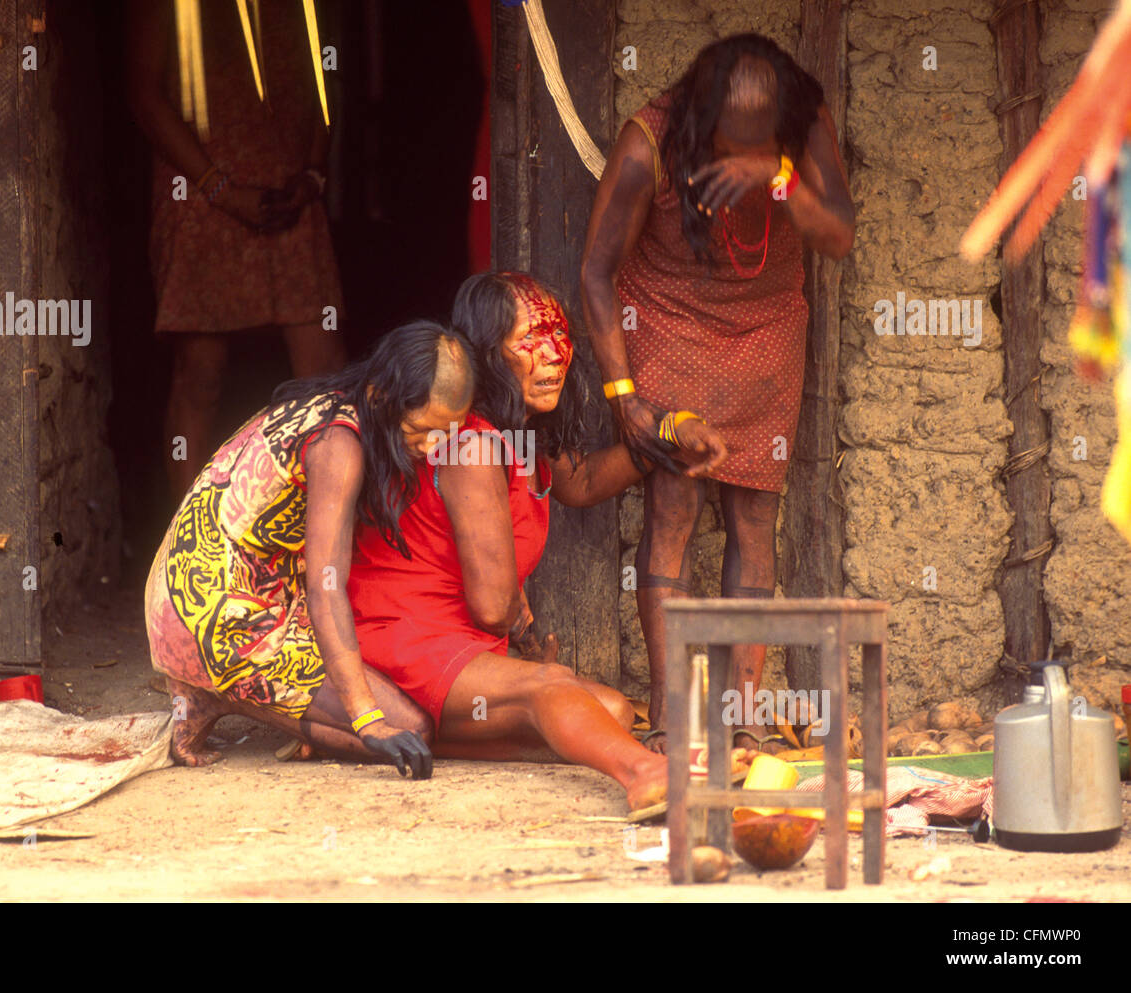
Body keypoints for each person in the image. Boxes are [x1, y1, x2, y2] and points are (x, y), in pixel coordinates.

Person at [343, 272, 729, 812]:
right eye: (528, 340)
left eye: (558, 335)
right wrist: (524, 637)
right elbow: (492, 604)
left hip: (454, 647)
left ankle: (404, 736)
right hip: (403, 637)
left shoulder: (520, 435)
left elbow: (584, 481)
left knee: (612, 711)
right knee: (552, 688)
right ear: (486, 354)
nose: (552, 354)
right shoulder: (471, 443)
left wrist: (666, 434)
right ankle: (646, 774)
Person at [580, 34, 855, 753]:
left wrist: (779, 175)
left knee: (756, 514)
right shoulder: (650, 143)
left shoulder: (803, 123)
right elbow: (596, 274)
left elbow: (838, 236)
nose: (738, 159)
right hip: (669, 317)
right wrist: (624, 396)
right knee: (673, 502)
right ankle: (674, 714)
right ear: (702, 119)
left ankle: (743, 716)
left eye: (755, 144)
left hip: (765, 328)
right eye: (729, 146)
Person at [144, 321, 476, 779]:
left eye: (445, 434)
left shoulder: (339, 404)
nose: (430, 447)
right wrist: (366, 718)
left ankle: (224, 692)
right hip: (213, 615)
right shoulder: (338, 444)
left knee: (394, 719)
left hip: (198, 593)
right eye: (420, 430)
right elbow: (326, 586)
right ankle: (214, 693)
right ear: (382, 395)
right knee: (410, 729)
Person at [126, 0, 348, 502]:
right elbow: (143, 93)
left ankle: (325, 538)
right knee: (200, 373)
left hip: (290, 192)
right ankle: (187, 544)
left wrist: (313, 171)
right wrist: (218, 187)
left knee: (325, 374)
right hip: (200, 189)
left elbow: (325, 71)